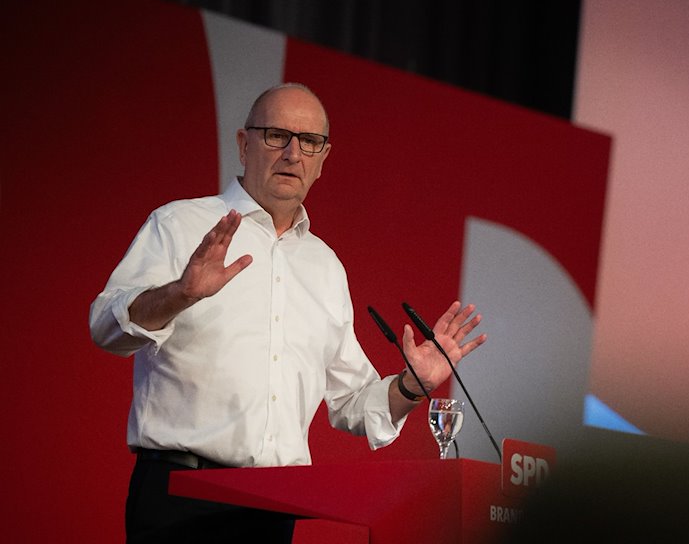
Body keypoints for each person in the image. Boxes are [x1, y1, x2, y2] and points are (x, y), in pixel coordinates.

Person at [89, 82, 487, 543]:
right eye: (276, 135)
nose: (293, 153)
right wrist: (180, 293)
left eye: (310, 142)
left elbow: (353, 403)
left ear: (322, 160)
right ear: (243, 144)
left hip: (274, 508)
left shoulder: (324, 266)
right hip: (182, 498)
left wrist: (412, 384)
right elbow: (106, 327)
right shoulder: (180, 225)